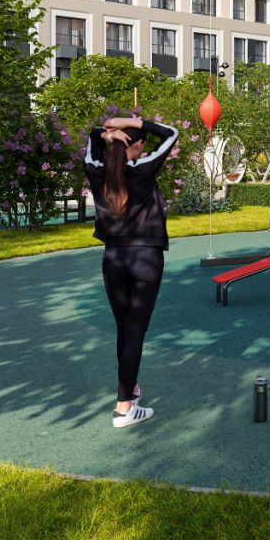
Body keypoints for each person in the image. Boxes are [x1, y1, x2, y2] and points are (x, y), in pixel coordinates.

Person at [84, 114, 179, 428]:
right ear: (134, 145)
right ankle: (123, 408)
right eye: (141, 145)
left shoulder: (95, 170)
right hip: (145, 260)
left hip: (113, 260)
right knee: (134, 331)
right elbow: (171, 133)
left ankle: (131, 389)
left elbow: (92, 138)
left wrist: (105, 133)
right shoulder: (143, 169)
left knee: (125, 329)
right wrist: (130, 122)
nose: (144, 149)